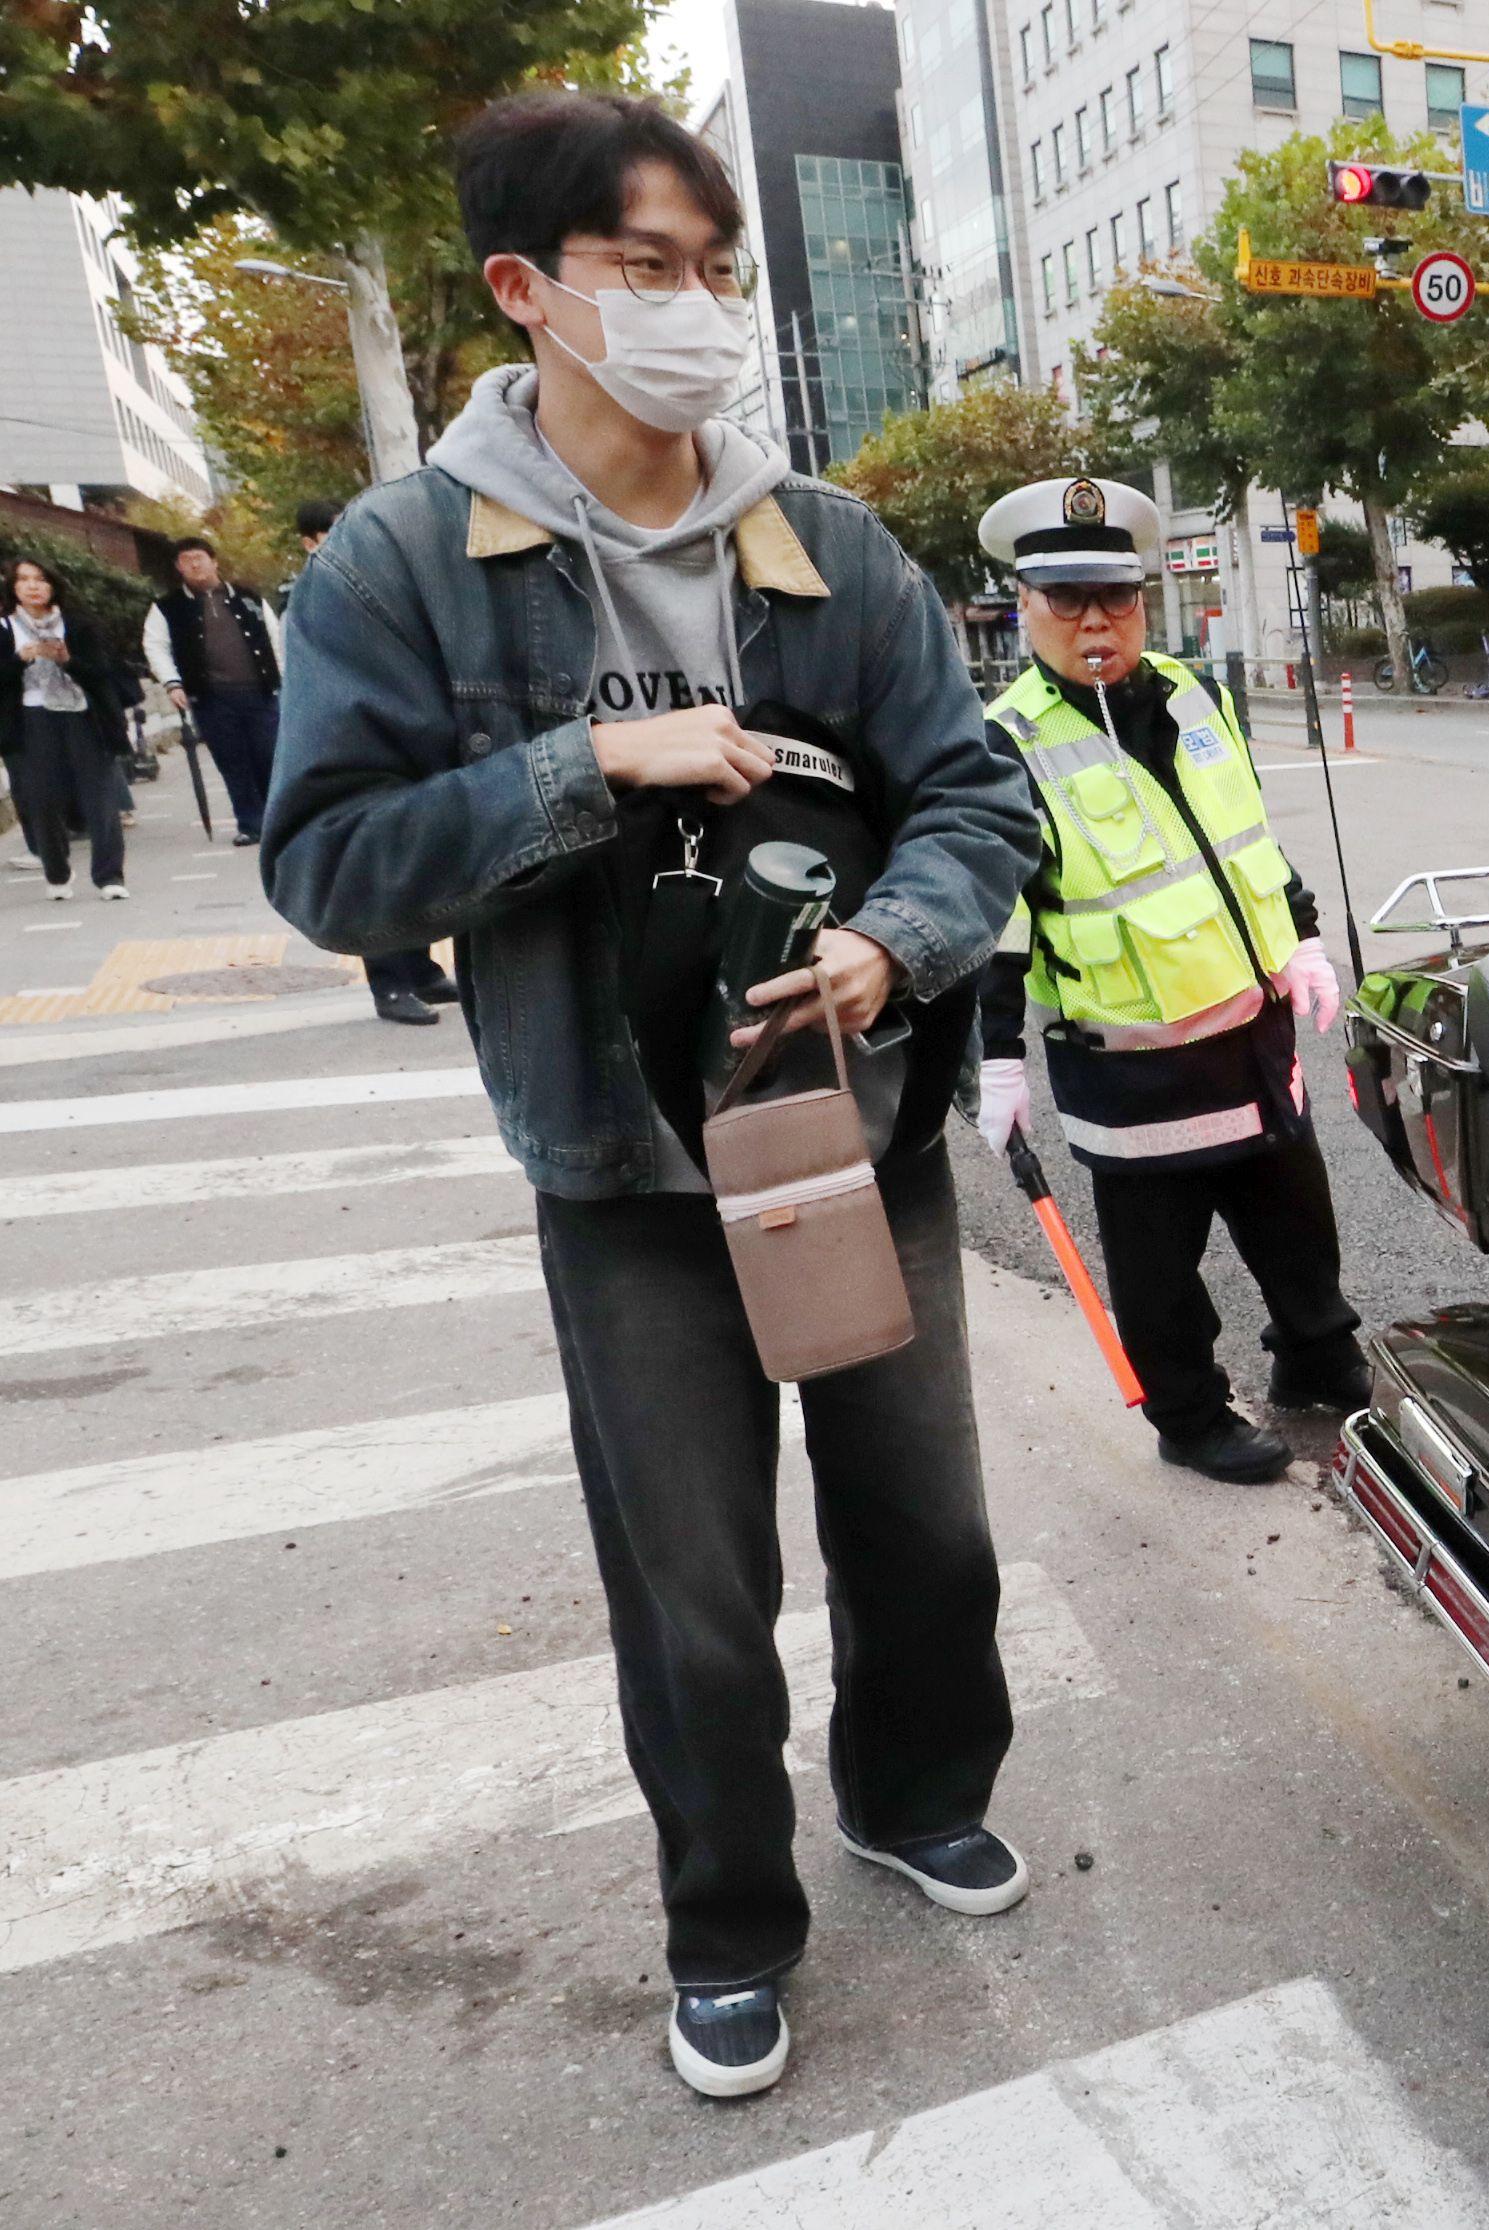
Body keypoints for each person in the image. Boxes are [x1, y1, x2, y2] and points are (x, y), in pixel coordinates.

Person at [262, 89, 1045, 2103]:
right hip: (623, 1167)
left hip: (848, 1128)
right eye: (648, 268)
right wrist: (579, 772)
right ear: (528, 291)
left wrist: (899, 938)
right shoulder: (406, 562)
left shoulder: (829, 546)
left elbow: (975, 792)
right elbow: (328, 864)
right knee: (695, 1589)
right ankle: (728, 1925)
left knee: (925, 1528)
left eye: (719, 272)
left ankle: (916, 1787)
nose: (698, 309)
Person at [971, 474, 1367, 1483]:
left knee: (1295, 1218)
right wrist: (996, 1062)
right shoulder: (1003, 743)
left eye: (1118, 597)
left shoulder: (1200, 695)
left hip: (1250, 1030)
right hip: (1133, 1063)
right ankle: (1188, 1417)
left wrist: (1304, 938)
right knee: (1157, 1266)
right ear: (1025, 606)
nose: (1096, 621)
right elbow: (1001, 924)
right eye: (1068, 601)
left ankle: (1315, 1359)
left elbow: (1246, 844)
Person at [292, 495, 460, 1026]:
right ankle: (388, 984)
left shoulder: (388, 581)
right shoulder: (317, 591)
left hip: (410, 732)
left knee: (419, 856)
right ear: (311, 540)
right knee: (376, 865)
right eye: (336, 527)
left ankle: (422, 969)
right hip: (354, 739)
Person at [4, 555, 138, 901]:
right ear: (13, 587)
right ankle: (57, 872)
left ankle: (110, 876)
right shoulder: (6, 628)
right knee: (42, 799)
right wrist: (20, 660)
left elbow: (101, 673)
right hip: (31, 718)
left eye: (41, 579)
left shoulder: (78, 624)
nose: (33, 586)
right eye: (24, 579)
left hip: (82, 715)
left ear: (53, 585)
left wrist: (67, 660)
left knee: (100, 797)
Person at [143, 534, 284, 849]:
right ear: (178, 568)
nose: (194, 564)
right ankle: (250, 823)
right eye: (186, 560)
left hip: (259, 691)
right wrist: (172, 682)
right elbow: (156, 646)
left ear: (214, 560)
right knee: (232, 760)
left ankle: (277, 820)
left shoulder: (247, 597)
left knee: (269, 755)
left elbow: (275, 639)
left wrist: (282, 677)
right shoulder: (167, 607)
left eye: (200, 557)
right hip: (210, 697)